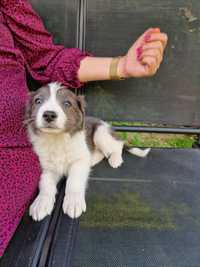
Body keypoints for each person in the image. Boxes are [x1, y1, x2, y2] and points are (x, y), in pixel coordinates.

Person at [0, 0, 168, 257]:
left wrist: (121, 65)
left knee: (99, 140)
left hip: (9, 148)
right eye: (39, 102)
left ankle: (114, 150)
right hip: (38, 142)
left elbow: (46, 57)